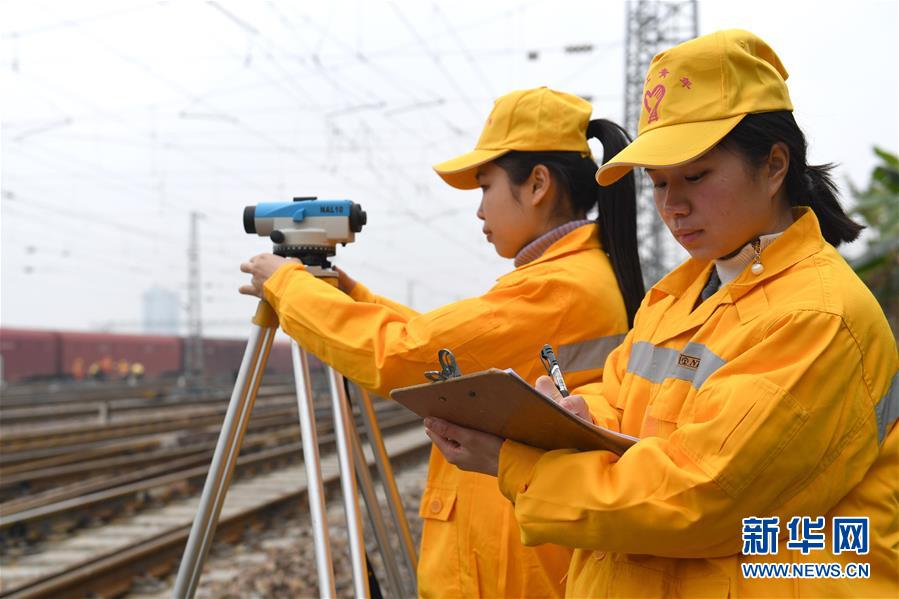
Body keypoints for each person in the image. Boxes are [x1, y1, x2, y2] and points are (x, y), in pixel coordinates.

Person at [425, 30, 899, 598]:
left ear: (774, 166)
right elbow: (624, 403)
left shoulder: (817, 316)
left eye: (695, 176)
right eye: (659, 183)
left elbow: (701, 494)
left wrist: (519, 466)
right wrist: (571, 414)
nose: (673, 205)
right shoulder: (676, 296)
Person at [239, 86, 644, 598]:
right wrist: (350, 296)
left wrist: (287, 286)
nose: (479, 211)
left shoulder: (558, 288)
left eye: (485, 186)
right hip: (510, 561)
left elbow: (410, 355)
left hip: (513, 575)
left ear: (538, 183)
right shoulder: (567, 277)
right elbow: (456, 350)